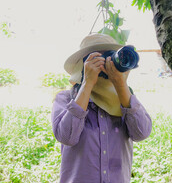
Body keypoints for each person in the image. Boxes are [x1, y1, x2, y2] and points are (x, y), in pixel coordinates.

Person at [51, 33, 152, 183]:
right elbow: (67, 137)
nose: (105, 64)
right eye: (97, 58)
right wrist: (87, 83)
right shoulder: (66, 98)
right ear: (82, 64)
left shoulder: (124, 99)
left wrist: (120, 84)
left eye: (109, 57)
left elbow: (141, 133)